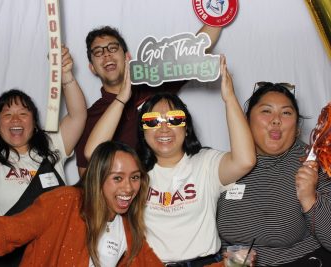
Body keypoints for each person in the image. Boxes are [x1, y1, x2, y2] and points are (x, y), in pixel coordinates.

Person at [86, 55, 256, 266]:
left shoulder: (206, 162)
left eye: (174, 119)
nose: (164, 128)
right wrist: (122, 97)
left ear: (186, 128)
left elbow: (245, 160)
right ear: (143, 132)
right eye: (152, 121)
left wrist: (229, 98)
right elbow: (93, 154)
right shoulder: (135, 171)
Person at [0, 39, 87, 265]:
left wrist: (66, 75)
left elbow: (78, 115)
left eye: (23, 113)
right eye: (7, 115)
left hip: (57, 259)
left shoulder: (53, 146)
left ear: (35, 122)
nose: (16, 119)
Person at [0, 141, 164, 267]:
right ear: (98, 178)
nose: (128, 188)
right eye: (117, 178)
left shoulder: (127, 227)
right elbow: (4, 233)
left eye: (135, 177)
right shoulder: (63, 202)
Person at [75, 24, 222, 177]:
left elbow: (195, 50)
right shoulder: (89, 118)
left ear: (127, 57)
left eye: (112, 48)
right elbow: (87, 179)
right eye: (98, 52)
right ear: (92, 67)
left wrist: (219, 13)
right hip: (129, 194)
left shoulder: (152, 82)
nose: (106, 55)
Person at [216, 82, 331, 266]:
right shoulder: (226, 165)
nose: (276, 120)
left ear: (297, 126)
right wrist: (224, 258)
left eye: (286, 113)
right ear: (245, 121)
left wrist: (310, 199)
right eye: (266, 111)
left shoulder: (314, 165)